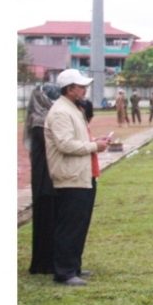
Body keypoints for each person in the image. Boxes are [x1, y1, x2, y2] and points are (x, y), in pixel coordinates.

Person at [44, 69, 110, 286]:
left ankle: (74, 266)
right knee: (69, 225)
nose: (85, 90)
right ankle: (64, 271)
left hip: (82, 174)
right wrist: (93, 146)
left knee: (79, 224)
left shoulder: (73, 109)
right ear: (69, 89)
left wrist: (95, 141)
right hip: (70, 176)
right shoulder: (61, 112)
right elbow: (64, 144)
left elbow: (77, 139)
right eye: (81, 86)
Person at [25, 83, 59, 274]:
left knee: (53, 220)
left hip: (50, 176)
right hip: (44, 179)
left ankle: (50, 260)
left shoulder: (45, 118)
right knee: (45, 222)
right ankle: (43, 264)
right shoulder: (39, 121)